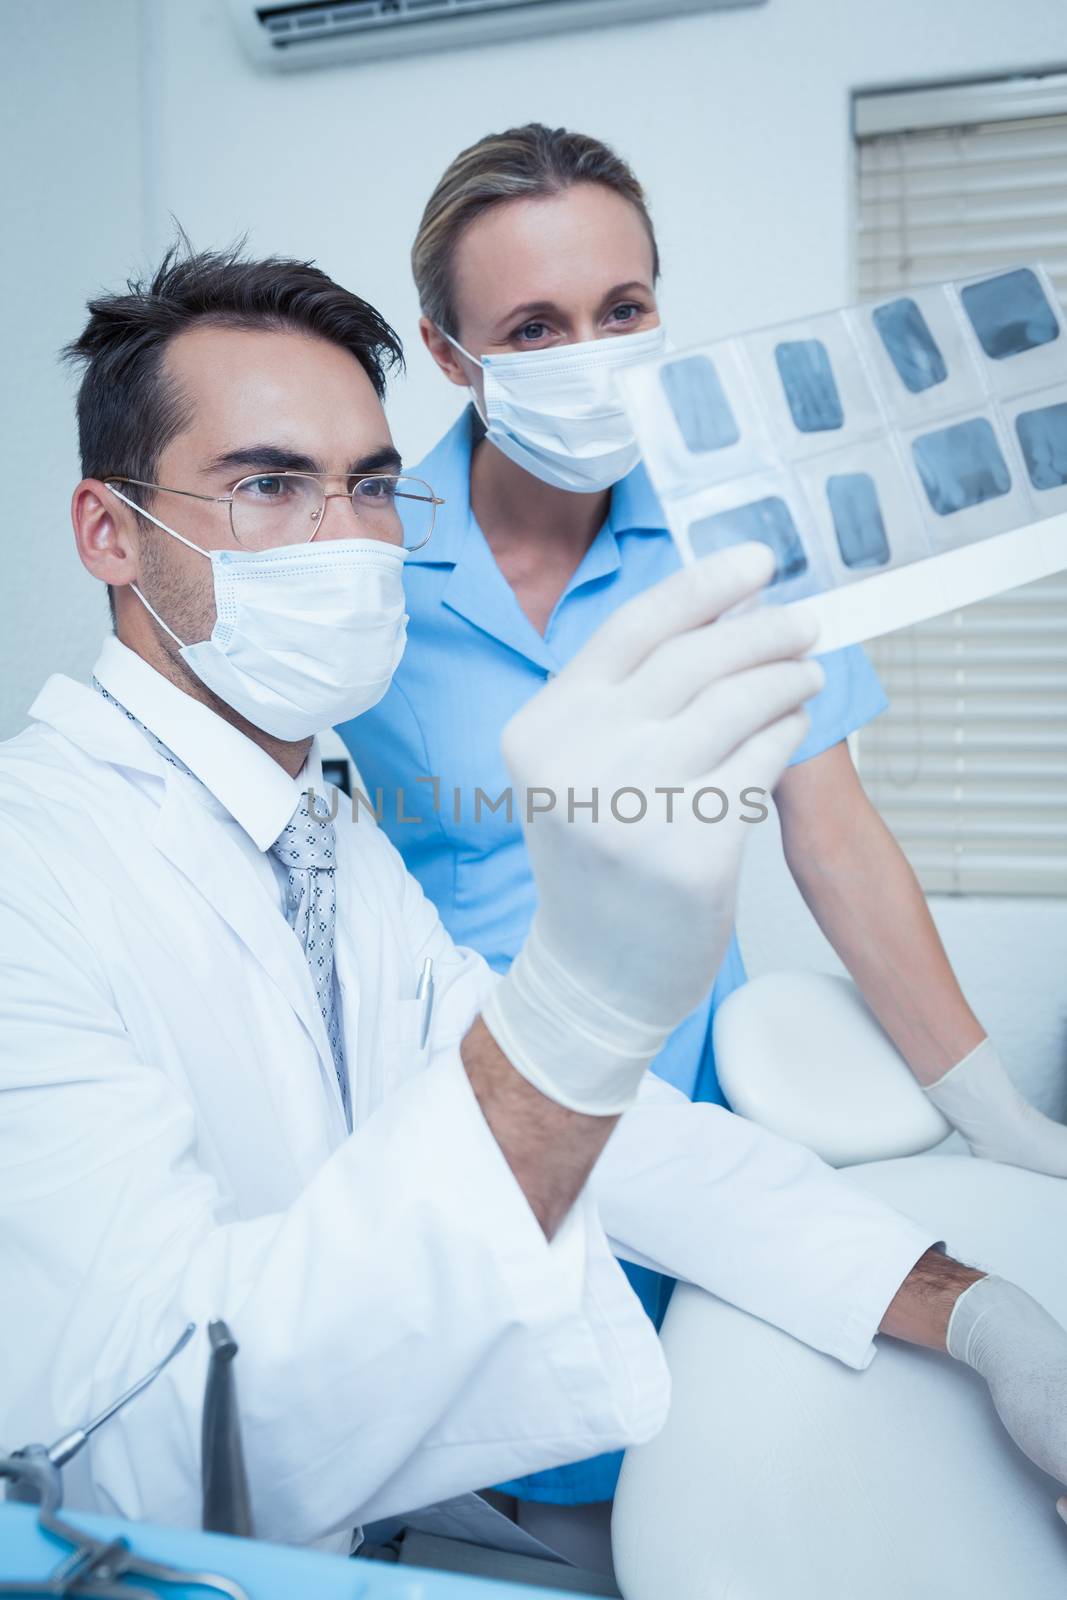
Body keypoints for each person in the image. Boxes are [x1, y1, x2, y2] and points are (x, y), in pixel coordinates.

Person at [1, 246, 1065, 1578]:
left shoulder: (318, 835)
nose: (347, 540)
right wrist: (583, 998)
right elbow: (134, 1455)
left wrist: (977, 1313)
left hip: (388, 1518)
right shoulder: (32, 873)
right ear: (109, 532)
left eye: (374, 487)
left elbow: (627, 1145)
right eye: (269, 486)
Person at [339, 121, 1067, 1516]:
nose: (592, 352)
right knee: (493, 1476)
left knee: (704, 1472)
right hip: (461, 1100)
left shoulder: (744, 525)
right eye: (534, 327)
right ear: (448, 354)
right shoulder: (361, 544)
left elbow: (833, 833)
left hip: (691, 1100)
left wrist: (1000, 1118)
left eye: (623, 310)